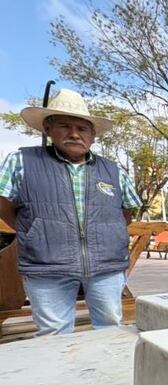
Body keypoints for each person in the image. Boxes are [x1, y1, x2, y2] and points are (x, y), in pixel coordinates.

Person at [0, 89, 141, 335]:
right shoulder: (21, 160)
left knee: (110, 328)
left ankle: (104, 374)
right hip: (46, 264)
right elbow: (2, 201)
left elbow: (128, 209)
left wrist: (108, 229)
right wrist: (32, 229)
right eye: (64, 126)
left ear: (93, 135)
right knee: (53, 332)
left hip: (106, 264)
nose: (74, 134)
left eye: (82, 128)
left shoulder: (113, 170)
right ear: (48, 128)